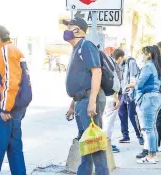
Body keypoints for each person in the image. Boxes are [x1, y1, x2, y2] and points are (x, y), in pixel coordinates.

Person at [0, 25, 32, 175]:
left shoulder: (6, 51)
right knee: (14, 148)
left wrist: (5, 108)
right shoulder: (12, 51)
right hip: (15, 108)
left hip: (8, 111)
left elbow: (10, 81)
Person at [63, 17, 109, 175]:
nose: (67, 30)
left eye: (70, 26)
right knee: (86, 145)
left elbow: (97, 72)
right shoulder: (76, 49)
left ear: (79, 30)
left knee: (95, 145)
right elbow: (81, 79)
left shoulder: (86, 45)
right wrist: (72, 105)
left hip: (89, 99)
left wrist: (92, 101)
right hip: (81, 100)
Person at [134, 45, 161, 164]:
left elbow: (140, 84)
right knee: (153, 127)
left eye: (143, 53)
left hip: (149, 98)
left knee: (149, 128)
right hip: (157, 97)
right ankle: (154, 154)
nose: (142, 55)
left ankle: (151, 155)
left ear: (149, 55)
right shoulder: (158, 66)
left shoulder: (147, 66)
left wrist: (134, 83)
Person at [115, 49, 144, 145]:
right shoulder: (121, 64)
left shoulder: (131, 62)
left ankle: (140, 136)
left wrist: (131, 91)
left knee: (132, 115)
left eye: (117, 60)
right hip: (122, 92)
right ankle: (125, 136)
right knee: (122, 114)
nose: (117, 62)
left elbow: (133, 78)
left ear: (121, 57)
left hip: (130, 93)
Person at [102, 50, 122, 153]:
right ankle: (106, 143)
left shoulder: (103, 62)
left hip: (104, 96)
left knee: (105, 120)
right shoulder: (110, 64)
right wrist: (116, 97)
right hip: (110, 96)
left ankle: (105, 142)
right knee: (108, 122)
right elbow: (111, 82)